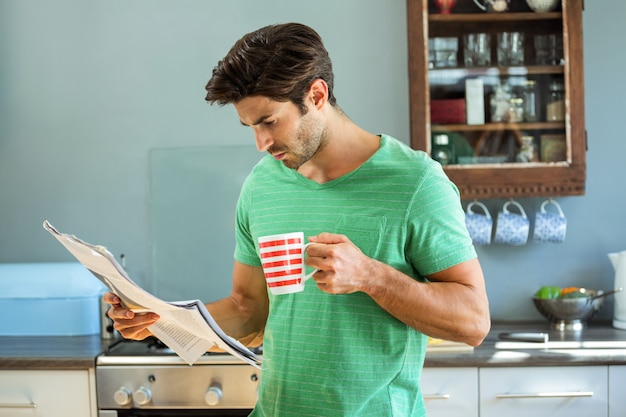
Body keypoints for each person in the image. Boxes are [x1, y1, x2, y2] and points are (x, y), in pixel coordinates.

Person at [104, 22, 490, 416]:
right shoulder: (262, 185)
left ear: (316, 95)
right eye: (250, 126)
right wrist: (161, 319)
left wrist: (373, 277)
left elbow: (474, 321)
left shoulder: (416, 183)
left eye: (269, 121)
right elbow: (249, 311)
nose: (261, 142)